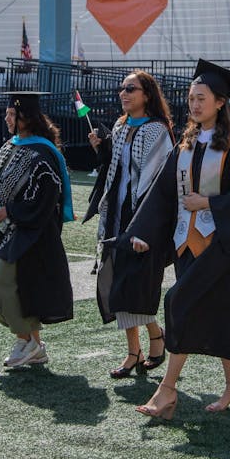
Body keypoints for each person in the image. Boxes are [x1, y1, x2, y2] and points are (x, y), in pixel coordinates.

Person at [126, 61, 230, 419]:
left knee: (180, 304)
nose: (194, 104)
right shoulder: (186, 144)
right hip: (185, 244)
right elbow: (162, 195)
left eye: (201, 98)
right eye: (190, 98)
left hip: (221, 246)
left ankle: (167, 390)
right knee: (214, 314)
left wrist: (209, 202)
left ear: (220, 102)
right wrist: (143, 233)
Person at [0, 92, 74, 369]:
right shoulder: (11, 146)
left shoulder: (42, 153)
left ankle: (26, 340)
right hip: (2, 230)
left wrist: (12, 211)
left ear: (25, 118)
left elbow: (46, 197)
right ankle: (34, 346)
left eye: (12, 114)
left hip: (31, 233)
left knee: (7, 282)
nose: (7, 118)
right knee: (21, 289)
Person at [84, 70, 174, 378]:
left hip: (144, 218)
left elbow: (159, 180)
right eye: (122, 88)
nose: (124, 93)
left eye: (131, 89)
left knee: (135, 285)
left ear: (146, 95)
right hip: (117, 215)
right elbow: (116, 169)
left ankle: (152, 340)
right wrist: (103, 148)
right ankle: (137, 348)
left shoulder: (157, 131)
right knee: (120, 285)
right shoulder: (122, 126)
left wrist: (146, 224)